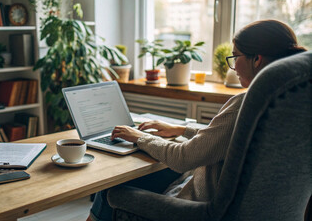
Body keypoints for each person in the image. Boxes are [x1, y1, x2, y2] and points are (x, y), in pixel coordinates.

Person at [86, 19, 307, 221]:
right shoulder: (295, 104)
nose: (233, 66)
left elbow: (184, 158)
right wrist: (182, 129)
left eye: (235, 57)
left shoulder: (246, 104)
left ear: (256, 59)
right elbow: (228, 138)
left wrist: (140, 137)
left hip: (196, 209)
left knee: (109, 192)